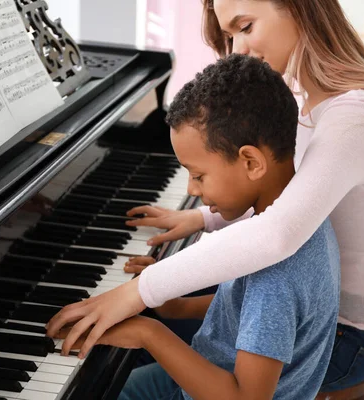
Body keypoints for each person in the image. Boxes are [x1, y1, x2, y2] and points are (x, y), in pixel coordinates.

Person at [46, 0, 364, 391]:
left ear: (300, 9)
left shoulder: (357, 116)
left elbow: (278, 234)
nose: (237, 51)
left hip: (345, 337)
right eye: (230, 36)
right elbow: (292, 196)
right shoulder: (316, 100)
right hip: (308, 305)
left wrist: (138, 292)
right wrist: (203, 217)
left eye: (245, 27)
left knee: (131, 346)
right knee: (159, 317)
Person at [58, 53, 341, 400]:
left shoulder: (275, 278)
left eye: (198, 175)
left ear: (251, 162)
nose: (192, 189)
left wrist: (150, 332)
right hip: (207, 374)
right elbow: (248, 311)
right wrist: (175, 306)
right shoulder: (301, 213)